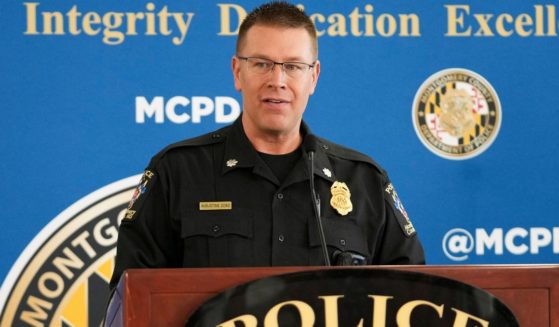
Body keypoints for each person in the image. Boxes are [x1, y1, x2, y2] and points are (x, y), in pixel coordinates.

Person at [109, 1, 424, 292]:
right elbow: (133, 299)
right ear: (237, 71)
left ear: (313, 77)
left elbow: (415, 296)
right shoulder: (177, 171)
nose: (278, 80)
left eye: (293, 66)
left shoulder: (363, 180)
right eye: (262, 64)